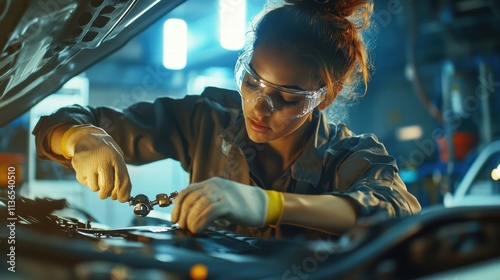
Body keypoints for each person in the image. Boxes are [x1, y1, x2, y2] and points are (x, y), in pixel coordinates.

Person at [33, 0, 421, 239]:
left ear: (326, 96)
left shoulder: (351, 157)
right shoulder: (208, 120)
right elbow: (54, 124)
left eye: (285, 98)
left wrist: (268, 205)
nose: (258, 107)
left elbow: (398, 209)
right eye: (251, 81)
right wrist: (80, 137)